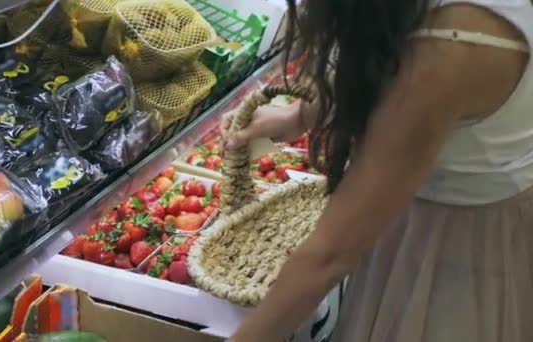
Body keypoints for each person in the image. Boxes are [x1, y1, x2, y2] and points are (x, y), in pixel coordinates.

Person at [220, 0, 533, 341]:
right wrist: (301, 115)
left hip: (457, 250)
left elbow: (330, 254)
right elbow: (388, 46)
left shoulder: (449, 49)